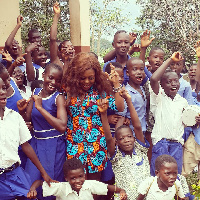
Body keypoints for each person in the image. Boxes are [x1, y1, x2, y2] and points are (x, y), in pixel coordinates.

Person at [62, 52, 124, 184]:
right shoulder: (68, 90)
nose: (86, 82)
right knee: (76, 184)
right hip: (74, 144)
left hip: (96, 144)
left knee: (95, 184)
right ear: (75, 76)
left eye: (91, 78)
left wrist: (116, 84)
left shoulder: (99, 91)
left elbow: (119, 106)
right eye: (82, 78)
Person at [17, 63, 67, 200]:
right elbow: (28, 118)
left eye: (57, 80)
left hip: (54, 145)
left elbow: (62, 126)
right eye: (50, 78)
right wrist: (22, 112)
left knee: (52, 183)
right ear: (43, 75)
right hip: (36, 143)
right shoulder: (36, 92)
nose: (53, 83)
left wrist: (40, 108)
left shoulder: (59, 97)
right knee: (31, 182)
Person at [0, 76, 54, 200]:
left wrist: (43, 173)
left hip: (15, 174)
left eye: (3, 88)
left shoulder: (15, 117)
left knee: (31, 197)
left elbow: (26, 146)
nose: (2, 92)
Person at [149, 52, 200, 176]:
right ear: (162, 85)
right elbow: (154, 79)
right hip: (161, 143)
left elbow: (188, 120)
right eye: (168, 82)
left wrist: (196, 119)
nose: (173, 84)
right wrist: (170, 60)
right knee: (158, 178)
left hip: (177, 145)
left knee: (174, 178)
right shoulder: (158, 98)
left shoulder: (182, 102)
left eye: (176, 81)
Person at [98, 87, 150, 200]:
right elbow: (108, 138)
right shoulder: (115, 155)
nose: (126, 140)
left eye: (129, 136)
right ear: (117, 142)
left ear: (134, 138)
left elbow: (137, 126)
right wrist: (103, 114)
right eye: (122, 138)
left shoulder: (141, 148)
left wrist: (129, 101)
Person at [27, 158, 127, 200]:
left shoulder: (90, 184)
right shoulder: (61, 187)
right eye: (73, 178)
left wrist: (121, 191)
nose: (78, 180)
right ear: (66, 178)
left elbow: (109, 188)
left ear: (84, 175)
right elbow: (39, 182)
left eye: (80, 176)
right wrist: (32, 189)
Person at [118, 57, 147, 137]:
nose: (139, 72)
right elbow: (121, 117)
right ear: (127, 73)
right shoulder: (126, 93)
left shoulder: (141, 89)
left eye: (141, 69)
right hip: (132, 135)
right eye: (135, 69)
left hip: (143, 133)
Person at [50, 1, 75, 72]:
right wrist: (56, 15)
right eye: (66, 47)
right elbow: (52, 39)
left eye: (71, 47)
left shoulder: (77, 66)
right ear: (59, 52)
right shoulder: (58, 64)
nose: (69, 49)